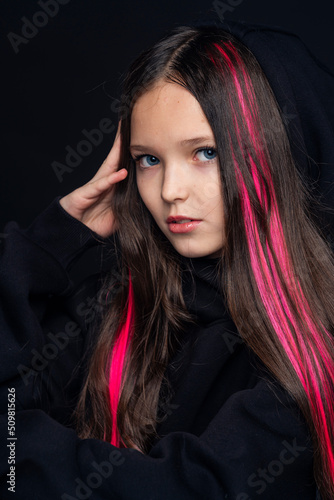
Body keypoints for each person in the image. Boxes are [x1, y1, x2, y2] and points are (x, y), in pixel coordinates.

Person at [0, 21, 334, 500]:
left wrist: (13, 456)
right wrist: (46, 246)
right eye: (149, 160)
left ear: (280, 155)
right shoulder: (115, 307)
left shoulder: (310, 352)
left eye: (205, 152)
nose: (170, 191)